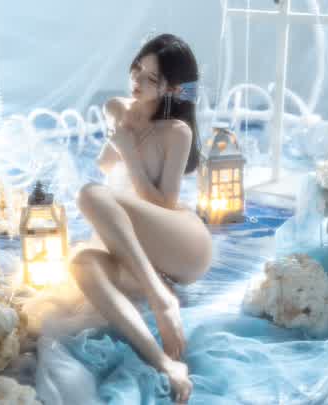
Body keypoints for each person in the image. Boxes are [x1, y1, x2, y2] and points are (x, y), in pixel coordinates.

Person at [69, 33, 213, 404]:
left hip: (178, 242)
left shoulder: (177, 131)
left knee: (89, 194)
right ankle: (163, 361)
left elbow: (163, 204)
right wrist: (121, 137)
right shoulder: (116, 108)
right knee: (82, 263)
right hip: (132, 243)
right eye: (137, 69)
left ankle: (161, 299)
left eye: (151, 78)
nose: (137, 80)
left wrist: (130, 153)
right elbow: (106, 163)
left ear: (171, 87)